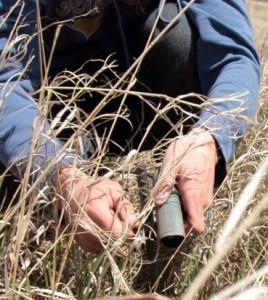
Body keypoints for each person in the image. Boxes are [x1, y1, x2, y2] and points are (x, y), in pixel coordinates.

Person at [0, 0, 260, 254]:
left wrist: (209, 138)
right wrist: (60, 175)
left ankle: (173, 202)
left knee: (179, 37)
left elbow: (234, 58)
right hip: (59, 112)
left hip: (151, 98)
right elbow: (7, 84)